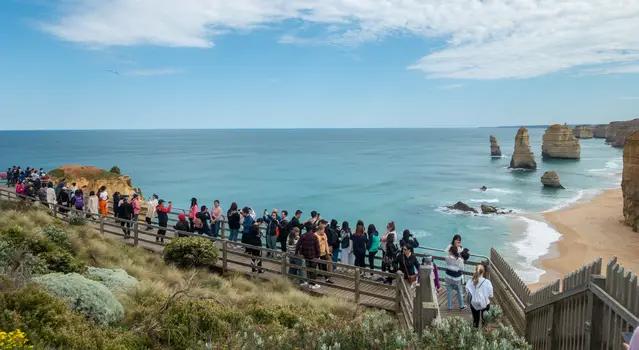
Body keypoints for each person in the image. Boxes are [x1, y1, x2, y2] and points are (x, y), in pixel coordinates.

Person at [296, 224, 321, 290]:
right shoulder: (314, 236)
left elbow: (298, 245)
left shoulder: (303, 236)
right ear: (311, 229)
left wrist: (296, 253)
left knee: (308, 269)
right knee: (313, 270)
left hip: (305, 255)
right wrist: (318, 255)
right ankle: (312, 284)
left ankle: (310, 283)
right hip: (313, 255)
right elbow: (317, 247)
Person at [445, 245, 467, 310]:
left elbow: (447, 263)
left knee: (449, 292)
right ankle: (462, 306)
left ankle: (449, 306)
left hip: (448, 276)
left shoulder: (447, 257)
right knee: (459, 291)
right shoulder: (459, 259)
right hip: (456, 278)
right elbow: (461, 268)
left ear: (451, 251)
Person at [315, 220, 334, 284]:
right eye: (323, 230)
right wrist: (321, 240)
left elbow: (326, 243)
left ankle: (327, 279)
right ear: (319, 230)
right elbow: (315, 245)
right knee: (315, 266)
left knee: (324, 266)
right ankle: (312, 280)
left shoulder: (324, 234)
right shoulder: (315, 235)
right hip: (316, 253)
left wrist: (328, 252)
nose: (324, 231)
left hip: (323, 253)